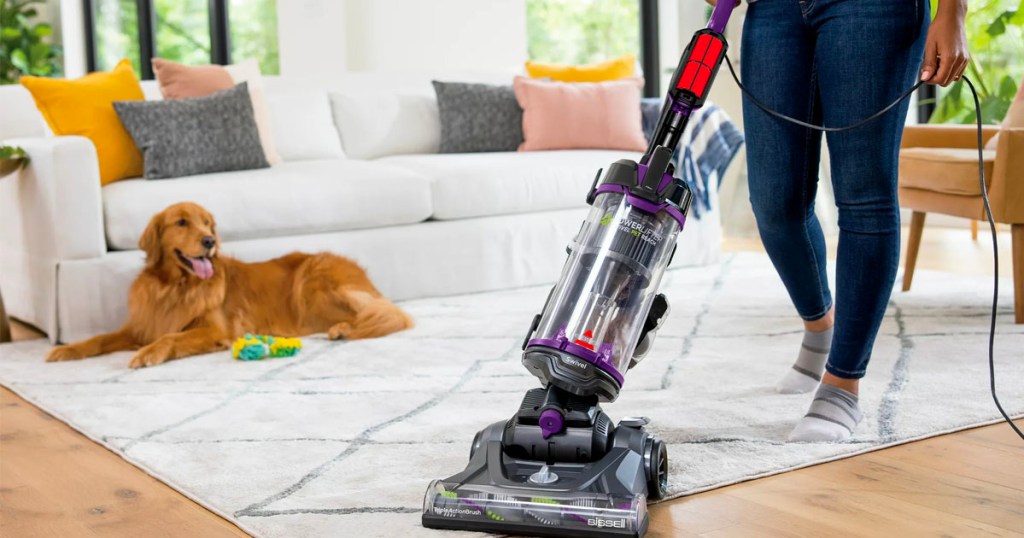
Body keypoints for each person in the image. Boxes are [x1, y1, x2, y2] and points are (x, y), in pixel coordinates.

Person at [707, 0, 969, 441]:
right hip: (773, 10)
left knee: (863, 195)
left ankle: (843, 384)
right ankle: (820, 329)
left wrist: (954, 10)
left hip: (874, 10)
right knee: (774, 201)